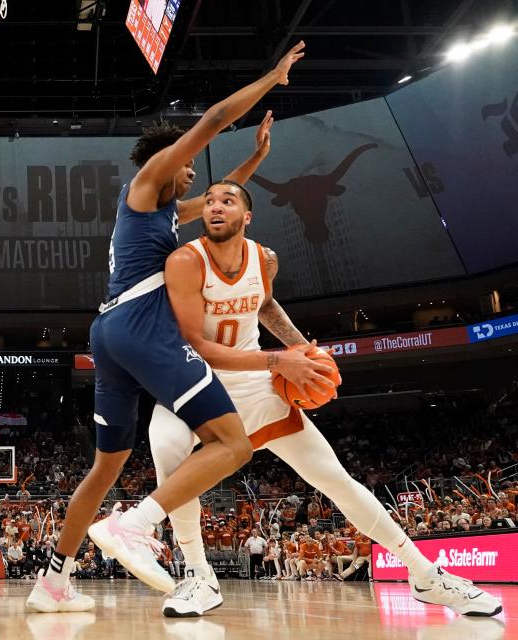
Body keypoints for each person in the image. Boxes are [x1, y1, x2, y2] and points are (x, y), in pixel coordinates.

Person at [146, 163, 503, 616]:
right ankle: (199, 575)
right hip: (194, 380)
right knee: (166, 449)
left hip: (257, 388)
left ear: (248, 216)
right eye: (210, 200)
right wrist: (283, 360)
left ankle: (424, 574)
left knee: (336, 480)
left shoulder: (264, 259)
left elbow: (266, 304)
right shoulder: (185, 261)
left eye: (227, 200)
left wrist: (303, 351)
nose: (215, 206)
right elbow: (199, 347)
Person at [26, 42, 307, 615]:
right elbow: (211, 121)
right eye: (187, 167)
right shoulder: (149, 181)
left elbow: (219, 195)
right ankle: (134, 526)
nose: (193, 180)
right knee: (231, 444)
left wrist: (254, 162)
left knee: (107, 464)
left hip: (108, 333)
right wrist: (270, 78)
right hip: (138, 328)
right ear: (167, 159)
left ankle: (53, 582)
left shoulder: (156, 211)